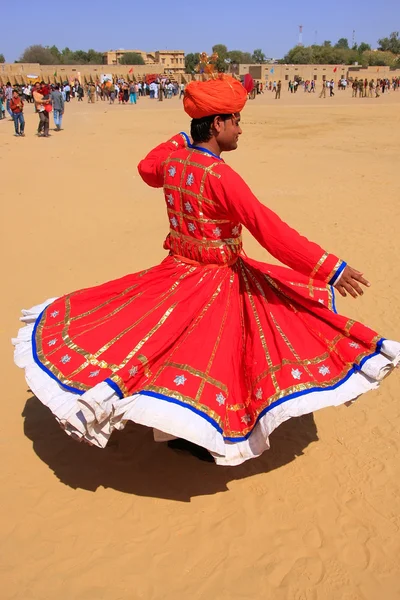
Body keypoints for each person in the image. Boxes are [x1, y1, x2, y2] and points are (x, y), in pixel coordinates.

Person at [13, 74, 399, 466]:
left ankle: (172, 425)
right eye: (235, 121)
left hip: (177, 268)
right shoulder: (220, 176)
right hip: (216, 278)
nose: (240, 130)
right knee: (214, 356)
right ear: (217, 124)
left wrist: (182, 138)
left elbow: (148, 167)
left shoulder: (174, 161)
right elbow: (268, 228)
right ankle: (195, 431)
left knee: (165, 344)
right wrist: (329, 268)